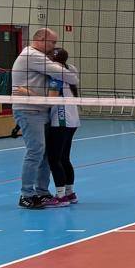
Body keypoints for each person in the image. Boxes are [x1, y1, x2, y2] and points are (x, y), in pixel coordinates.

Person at [9, 27, 74, 209]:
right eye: (52, 42)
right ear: (41, 39)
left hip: (41, 111)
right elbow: (68, 75)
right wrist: (69, 72)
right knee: (35, 151)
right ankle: (26, 195)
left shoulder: (39, 57)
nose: (54, 46)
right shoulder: (32, 55)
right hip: (29, 110)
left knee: (44, 154)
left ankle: (42, 192)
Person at [44, 46, 80, 206]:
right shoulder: (70, 70)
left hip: (61, 120)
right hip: (72, 120)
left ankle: (60, 197)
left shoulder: (57, 75)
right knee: (64, 158)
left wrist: (27, 93)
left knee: (54, 158)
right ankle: (70, 193)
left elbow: (51, 98)